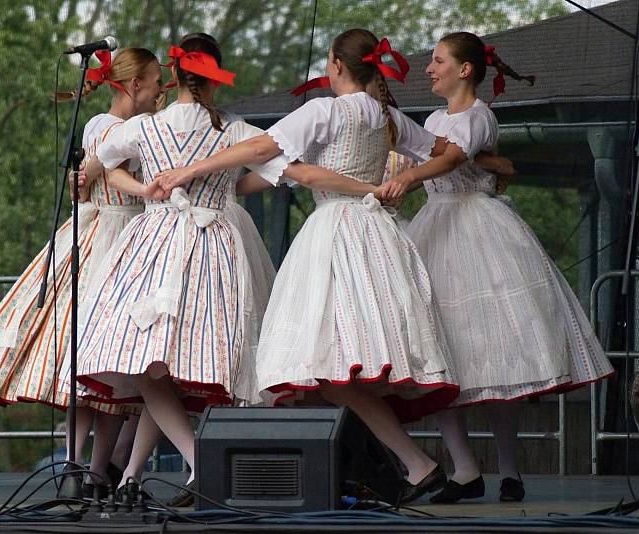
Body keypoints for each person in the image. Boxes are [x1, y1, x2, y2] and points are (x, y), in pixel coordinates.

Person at [153, 29, 467, 504]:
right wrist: (405, 179)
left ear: (336, 66)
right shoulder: (386, 117)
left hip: (336, 233)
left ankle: (414, 466)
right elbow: (448, 151)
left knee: (327, 365)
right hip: (378, 235)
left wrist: (190, 171)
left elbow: (261, 149)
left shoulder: (325, 110)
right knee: (341, 366)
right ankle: (360, 471)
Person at [390, 31, 614, 503]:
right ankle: (464, 469)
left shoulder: (477, 115)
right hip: (436, 228)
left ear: (465, 69)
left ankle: (510, 468)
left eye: (437, 61)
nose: (429, 69)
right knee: (442, 354)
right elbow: (425, 152)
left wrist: (415, 171)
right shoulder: (432, 117)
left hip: (476, 225)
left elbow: (451, 157)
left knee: (494, 355)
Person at [0, 47, 164, 495]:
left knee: (108, 373)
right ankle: (80, 464)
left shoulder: (133, 126)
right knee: (89, 359)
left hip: (125, 233)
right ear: (135, 85)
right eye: (155, 81)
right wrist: (88, 180)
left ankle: (92, 467)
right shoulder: (108, 126)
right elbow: (93, 179)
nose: (161, 89)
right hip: (105, 234)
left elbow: (88, 178)